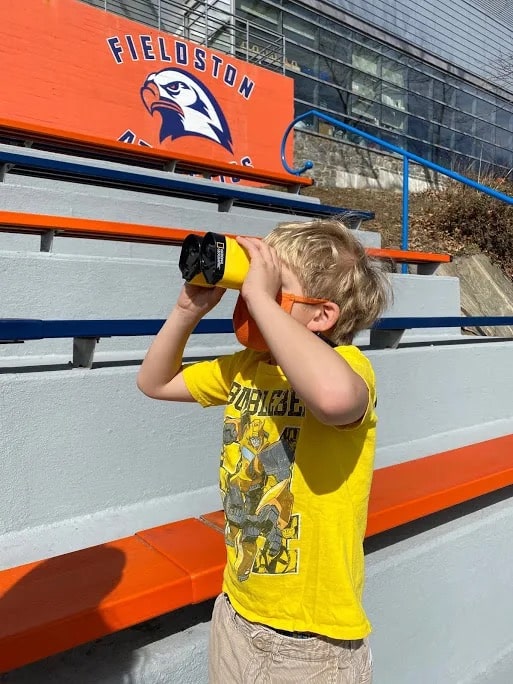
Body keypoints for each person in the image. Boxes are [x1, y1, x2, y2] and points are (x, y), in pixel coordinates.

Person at [137, 218, 391, 683]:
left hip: (312, 642)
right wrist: (186, 310)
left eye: (271, 287)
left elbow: (334, 400)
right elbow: (154, 382)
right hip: (237, 611)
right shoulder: (246, 368)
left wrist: (258, 299)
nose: (249, 296)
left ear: (321, 316)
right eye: (249, 284)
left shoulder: (349, 368)